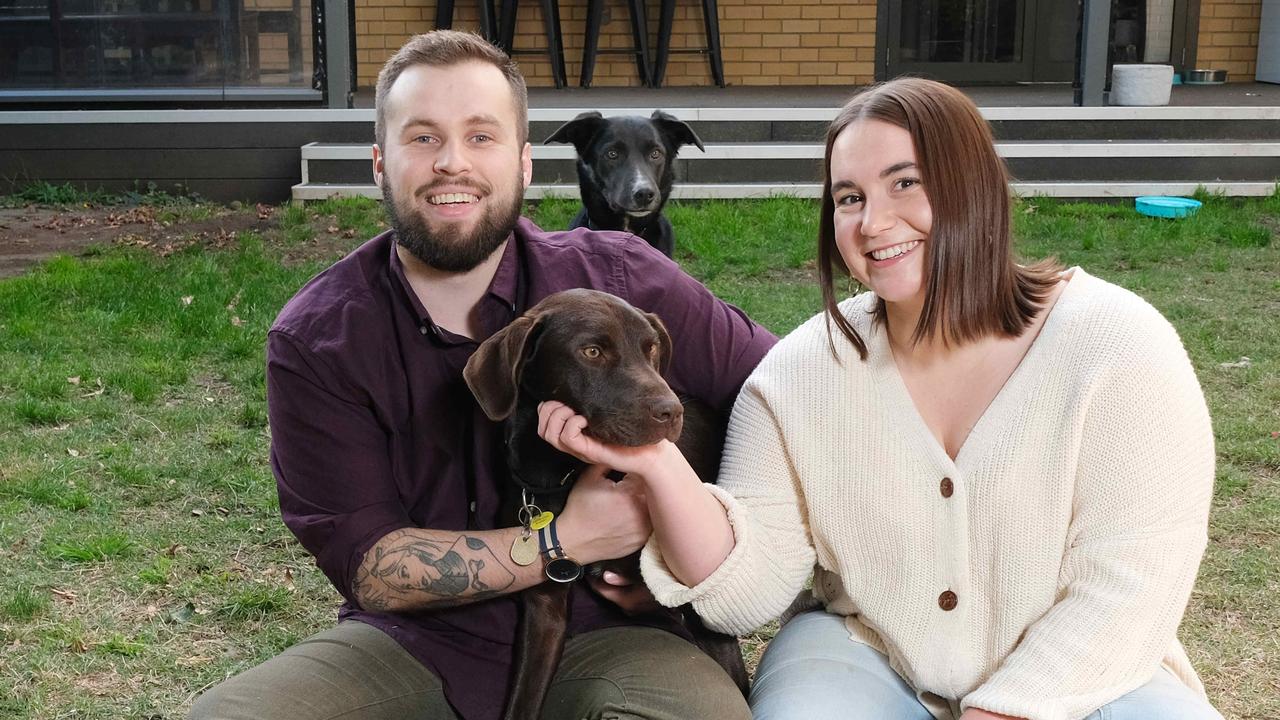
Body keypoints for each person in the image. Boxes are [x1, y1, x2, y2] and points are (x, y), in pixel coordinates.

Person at [536, 78, 1222, 720]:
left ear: (974, 186)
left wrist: (1004, 707)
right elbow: (751, 587)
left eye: (905, 183)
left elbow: (1133, 582)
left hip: (1088, 668)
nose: (872, 222)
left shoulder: (1118, 343)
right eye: (849, 198)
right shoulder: (802, 372)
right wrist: (657, 463)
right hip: (864, 652)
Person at [189, 30, 774, 720]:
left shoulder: (620, 277)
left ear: (525, 164)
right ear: (381, 162)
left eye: (482, 136)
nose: (452, 164)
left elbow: (785, 397)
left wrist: (690, 555)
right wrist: (567, 540)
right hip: (415, 642)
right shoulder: (320, 338)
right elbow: (373, 566)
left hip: (620, 637)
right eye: (424, 139)